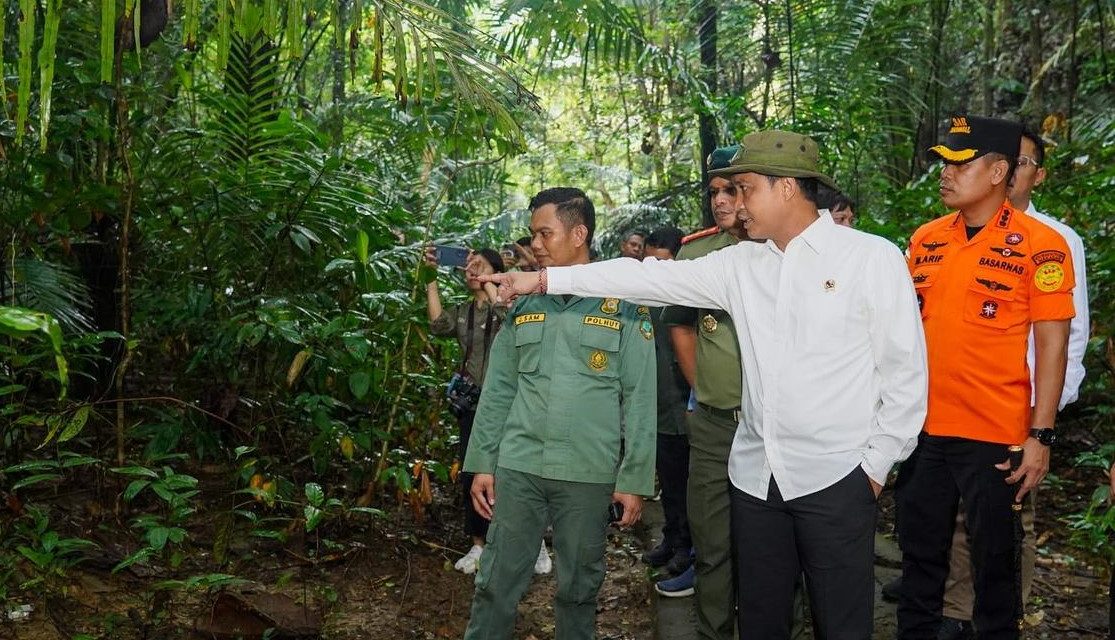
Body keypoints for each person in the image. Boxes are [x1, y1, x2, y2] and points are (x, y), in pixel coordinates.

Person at [482, 131, 929, 639]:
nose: (734, 205)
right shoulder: (740, 264)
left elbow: (906, 377)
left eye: (744, 189)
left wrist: (872, 469)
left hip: (837, 478)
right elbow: (644, 279)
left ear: (785, 189)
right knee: (760, 618)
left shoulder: (869, 259)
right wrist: (541, 281)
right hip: (756, 478)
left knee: (841, 622)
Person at [896, 115, 1075, 640]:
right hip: (923, 432)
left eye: (961, 163)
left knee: (995, 570)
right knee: (919, 562)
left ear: (999, 171)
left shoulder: (1041, 245)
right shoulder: (926, 240)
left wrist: (1040, 435)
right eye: (944, 162)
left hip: (995, 435)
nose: (945, 174)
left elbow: (1052, 343)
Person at [461, 187, 657, 640]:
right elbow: (499, 390)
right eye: (532, 235)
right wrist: (482, 464)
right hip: (519, 465)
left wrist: (633, 479)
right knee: (495, 582)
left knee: (577, 589)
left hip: (586, 472)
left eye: (545, 233)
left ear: (579, 233)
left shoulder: (624, 303)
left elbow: (640, 396)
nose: (536, 245)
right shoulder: (524, 304)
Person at [654, 145, 747, 629]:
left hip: (774, 425)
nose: (720, 199)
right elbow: (681, 327)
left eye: (731, 189)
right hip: (713, 422)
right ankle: (714, 629)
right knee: (711, 543)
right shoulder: (697, 252)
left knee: (772, 547)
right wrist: (702, 391)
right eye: (714, 191)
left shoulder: (786, 248)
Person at [426, 247, 547, 574]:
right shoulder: (464, 312)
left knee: (515, 471)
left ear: (494, 270)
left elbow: (512, 317)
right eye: (467, 267)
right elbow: (438, 325)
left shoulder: (509, 304)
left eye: (477, 265)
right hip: (473, 404)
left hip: (511, 402)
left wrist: (494, 282)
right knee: (473, 470)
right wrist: (430, 278)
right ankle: (479, 544)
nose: (470, 270)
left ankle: (534, 544)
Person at [639, 227, 695, 584]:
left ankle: (688, 549)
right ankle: (672, 540)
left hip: (685, 412)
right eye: (648, 261)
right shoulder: (640, 301)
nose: (654, 269)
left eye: (662, 262)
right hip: (657, 411)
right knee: (670, 485)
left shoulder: (689, 298)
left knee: (690, 487)